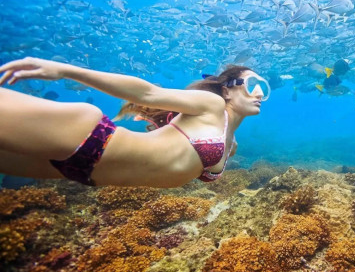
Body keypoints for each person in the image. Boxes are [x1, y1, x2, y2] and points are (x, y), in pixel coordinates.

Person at [0, 57, 270, 188]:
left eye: (263, 87)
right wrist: (67, 71)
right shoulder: (211, 106)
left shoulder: (231, 144)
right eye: (252, 84)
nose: (259, 93)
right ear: (227, 90)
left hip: (80, 174)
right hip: (90, 138)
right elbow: (147, 93)